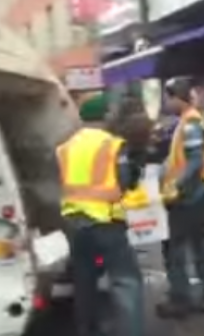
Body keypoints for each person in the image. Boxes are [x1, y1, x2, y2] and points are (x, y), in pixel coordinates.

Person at [58, 94, 152, 336]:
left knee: (84, 282)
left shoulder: (65, 147)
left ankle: (87, 330)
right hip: (106, 222)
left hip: (74, 223)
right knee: (125, 281)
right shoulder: (112, 144)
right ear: (105, 115)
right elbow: (124, 181)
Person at [156, 76, 204, 319]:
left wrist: (175, 185)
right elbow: (180, 158)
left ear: (177, 97)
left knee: (175, 249)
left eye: (168, 96)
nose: (166, 101)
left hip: (191, 195)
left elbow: (195, 160)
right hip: (198, 193)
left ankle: (181, 299)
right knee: (199, 247)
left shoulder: (191, 123)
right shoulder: (186, 121)